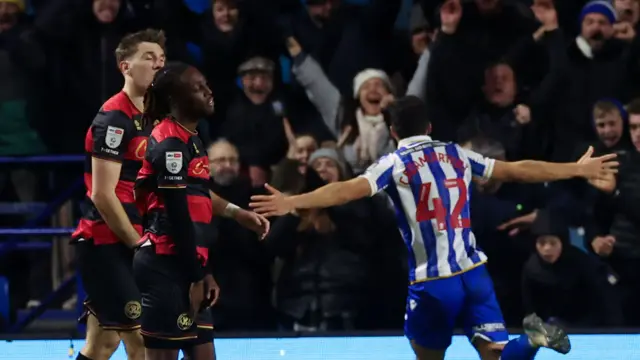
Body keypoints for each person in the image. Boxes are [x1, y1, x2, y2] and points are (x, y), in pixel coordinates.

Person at [250, 96, 619, 360]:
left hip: (432, 281)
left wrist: (292, 202)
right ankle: (533, 342)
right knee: (497, 354)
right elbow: (518, 168)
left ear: (393, 131)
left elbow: (347, 191)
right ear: (429, 127)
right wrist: (576, 168)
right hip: (474, 272)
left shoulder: (393, 163)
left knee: (427, 355)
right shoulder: (457, 153)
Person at [134, 62, 270, 360]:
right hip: (164, 267)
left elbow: (197, 198)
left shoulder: (192, 139)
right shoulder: (169, 143)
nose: (209, 92)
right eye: (198, 88)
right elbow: (176, 214)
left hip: (188, 263)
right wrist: (197, 275)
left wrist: (236, 214)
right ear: (176, 99)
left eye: (206, 85)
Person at [70, 29, 166, 360]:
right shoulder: (114, 117)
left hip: (139, 236)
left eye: (162, 59)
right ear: (125, 66)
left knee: (102, 344)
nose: (158, 65)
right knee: (144, 340)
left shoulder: (158, 117)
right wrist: (137, 245)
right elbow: (102, 194)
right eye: (149, 58)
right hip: (108, 243)